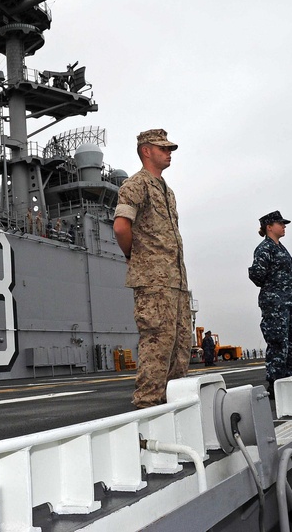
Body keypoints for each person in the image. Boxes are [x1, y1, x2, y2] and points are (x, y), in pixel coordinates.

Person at [113, 129, 190, 408]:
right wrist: (135, 256)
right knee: (157, 345)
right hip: (154, 281)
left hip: (176, 282)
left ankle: (174, 407)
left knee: (180, 349)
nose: (169, 153)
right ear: (146, 151)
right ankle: (147, 408)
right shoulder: (136, 185)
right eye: (163, 148)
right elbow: (122, 227)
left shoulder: (167, 191)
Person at [248, 210, 292, 393]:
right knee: (278, 342)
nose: (284, 226)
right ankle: (276, 383)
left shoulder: (281, 249)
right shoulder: (265, 249)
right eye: (280, 223)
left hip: (289, 303)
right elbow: (257, 276)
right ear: (269, 227)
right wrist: (274, 291)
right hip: (275, 304)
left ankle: (289, 379)